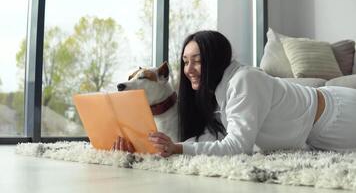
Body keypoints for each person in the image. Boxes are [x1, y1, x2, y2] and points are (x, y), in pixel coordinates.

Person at [114, 30, 356, 157]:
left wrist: (178, 149)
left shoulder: (245, 80)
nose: (189, 69)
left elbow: (237, 146)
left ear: (216, 58)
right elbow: (208, 138)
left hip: (338, 116)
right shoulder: (212, 91)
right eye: (185, 61)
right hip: (313, 136)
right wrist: (142, 147)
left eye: (197, 61)